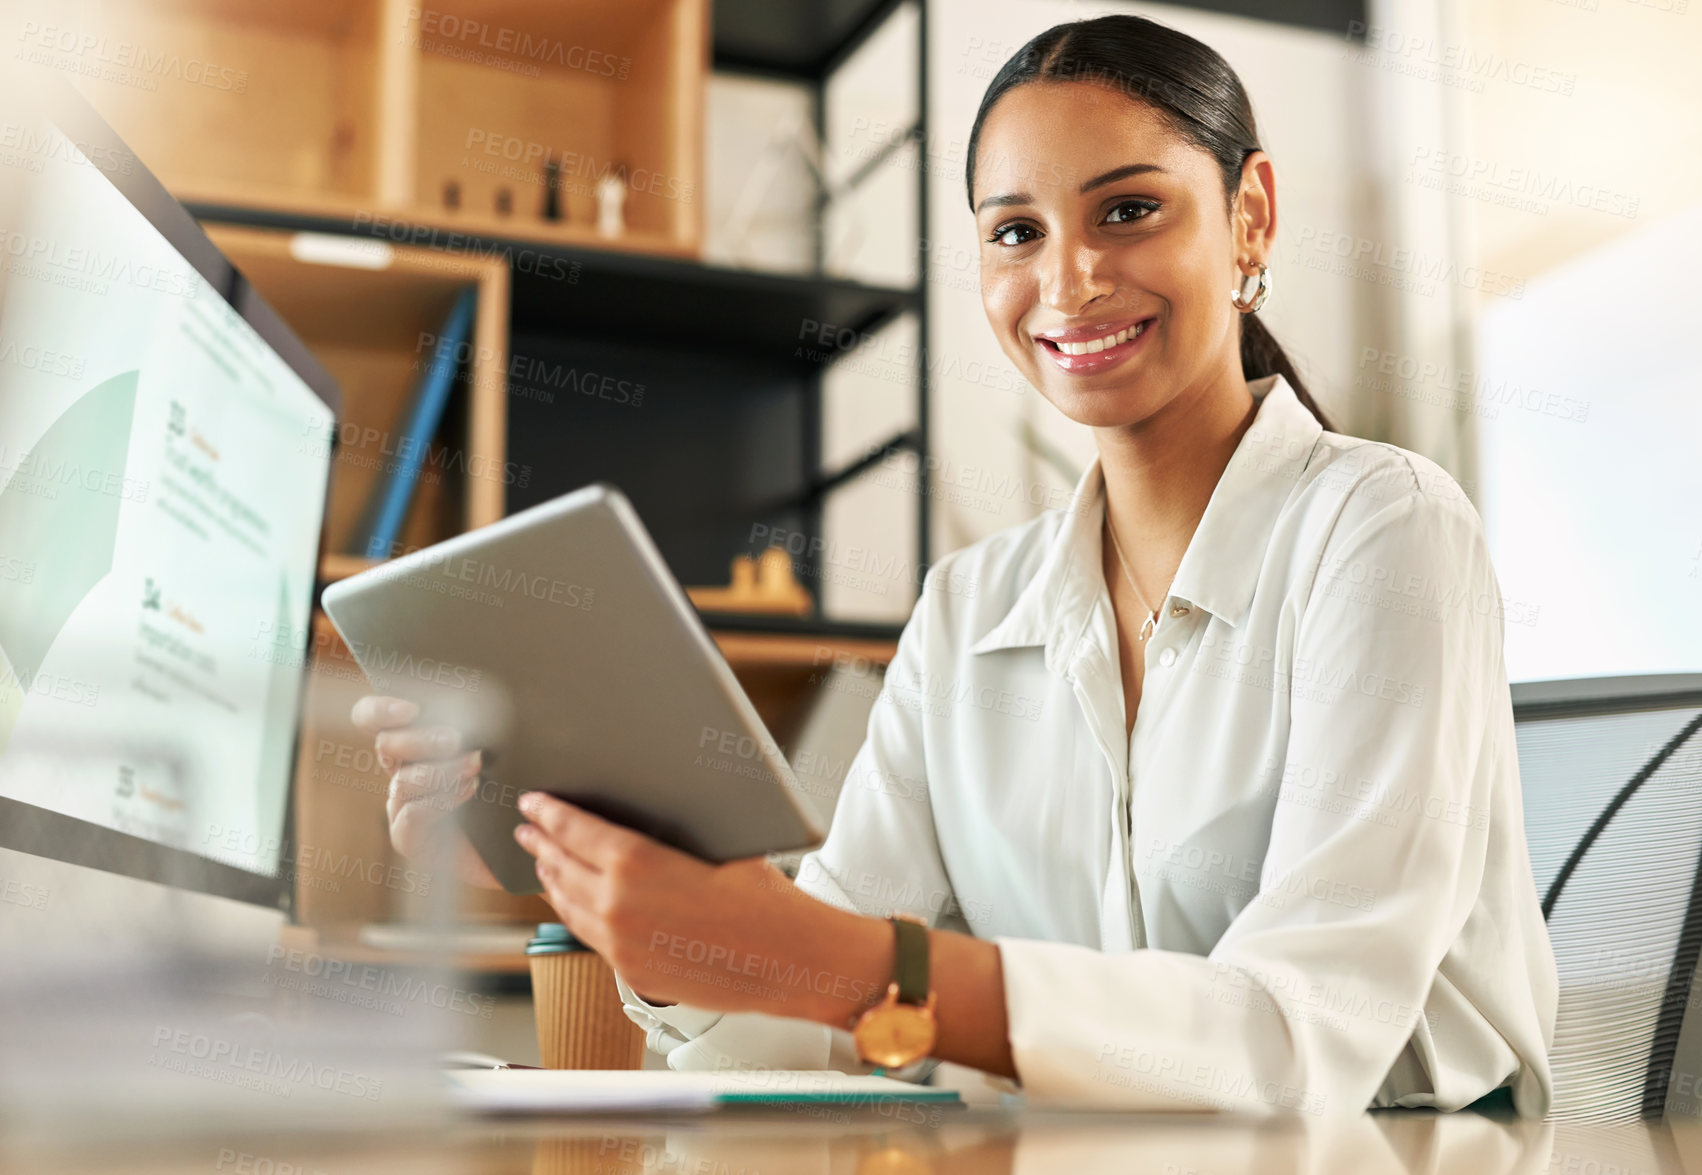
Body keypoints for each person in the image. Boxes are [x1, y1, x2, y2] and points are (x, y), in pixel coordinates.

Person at [354, 14, 1557, 1115]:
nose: (1070, 279)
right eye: (1016, 233)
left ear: (1249, 217)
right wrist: (593, 875)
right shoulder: (970, 608)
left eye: (1129, 210)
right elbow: (803, 1014)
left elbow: (1295, 1042)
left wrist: (838, 961)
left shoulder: (1384, 530)